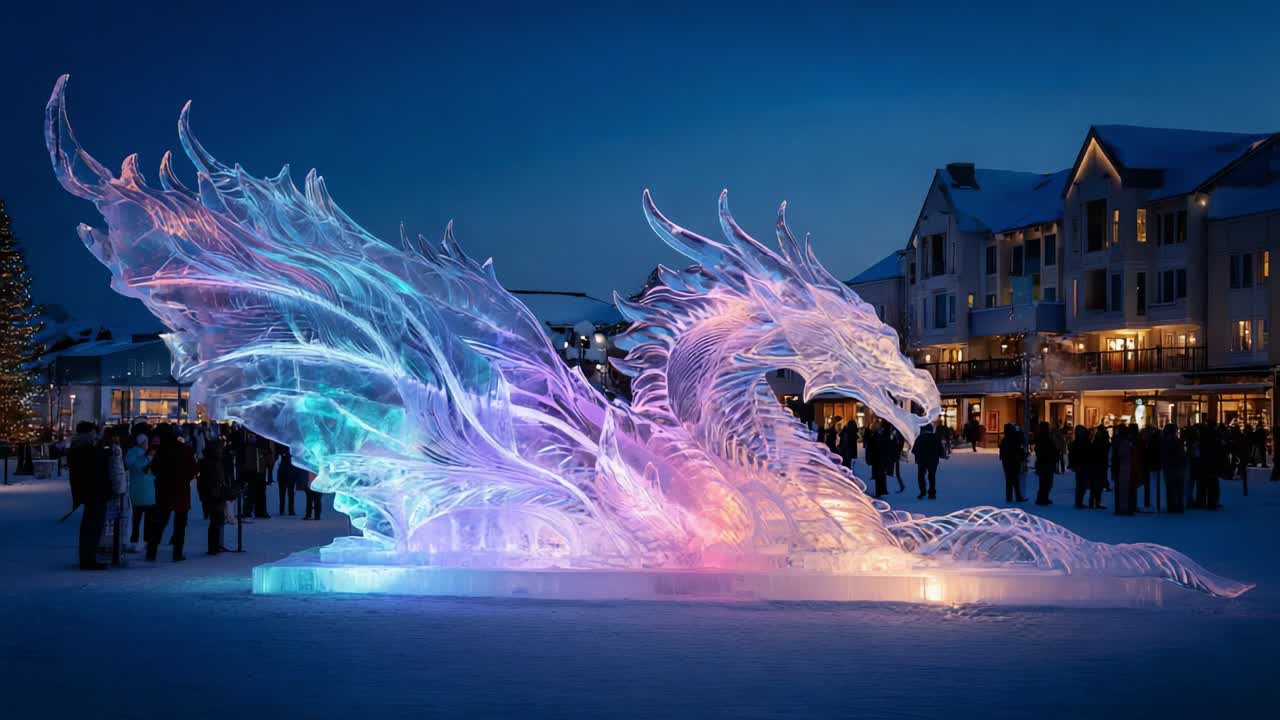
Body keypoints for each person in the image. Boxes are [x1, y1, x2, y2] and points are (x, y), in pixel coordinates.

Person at [147, 427, 199, 562]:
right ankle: (177, 552)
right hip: (181, 491)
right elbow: (193, 470)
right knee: (180, 525)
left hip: (164, 491)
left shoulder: (161, 451)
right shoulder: (186, 450)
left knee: (160, 523)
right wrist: (185, 478)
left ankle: (152, 551)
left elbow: (154, 469)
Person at [67, 422, 111, 570]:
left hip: (90, 492)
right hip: (94, 492)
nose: (96, 435)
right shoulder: (85, 450)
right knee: (93, 526)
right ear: (87, 433)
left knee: (91, 525)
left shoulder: (77, 448)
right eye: (93, 432)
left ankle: (88, 557)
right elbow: (98, 461)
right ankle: (88, 559)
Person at [99, 427, 130, 556]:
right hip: (114, 488)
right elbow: (117, 470)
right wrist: (120, 488)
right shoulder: (114, 449)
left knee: (107, 518)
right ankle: (111, 545)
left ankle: (106, 544)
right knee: (113, 518)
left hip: (107, 487)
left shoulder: (105, 447)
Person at [198, 437, 230, 554]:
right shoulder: (212, 462)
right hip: (214, 495)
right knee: (216, 521)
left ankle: (215, 545)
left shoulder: (210, 461)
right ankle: (213, 546)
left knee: (216, 521)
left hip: (212, 494)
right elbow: (213, 480)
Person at [125, 433, 155, 547]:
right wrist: (148, 459)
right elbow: (139, 468)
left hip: (139, 489)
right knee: (146, 517)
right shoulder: (142, 454)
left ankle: (135, 538)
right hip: (145, 489)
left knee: (137, 517)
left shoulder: (131, 453)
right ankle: (144, 539)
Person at [912, 423, 942, 499]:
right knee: (932, 476)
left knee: (921, 476)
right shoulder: (936, 437)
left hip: (922, 460)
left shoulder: (920, 438)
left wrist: (917, 457)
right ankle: (932, 493)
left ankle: (923, 491)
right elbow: (940, 449)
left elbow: (914, 450)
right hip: (933, 460)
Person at [998, 423, 1027, 503]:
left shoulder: (1005, 439)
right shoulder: (1014, 438)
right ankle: (1017, 496)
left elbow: (1002, 450)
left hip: (1006, 461)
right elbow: (1021, 443)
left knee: (1009, 479)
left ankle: (1009, 496)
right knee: (1015, 479)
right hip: (1013, 460)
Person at [1161, 423, 1186, 513]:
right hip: (1178, 466)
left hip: (1169, 466)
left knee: (1171, 487)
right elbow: (1182, 453)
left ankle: (1172, 506)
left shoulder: (1165, 441)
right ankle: (1179, 505)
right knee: (1179, 487)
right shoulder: (1177, 441)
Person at [1032, 421, 1059, 506]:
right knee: (1046, 481)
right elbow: (1047, 449)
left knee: (1045, 482)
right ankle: (1042, 499)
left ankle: (1044, 498)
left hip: (1045, 462)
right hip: (1045, 462)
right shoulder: (1044, 438)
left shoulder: (1043, 437)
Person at [1111, 425, 1134, 515]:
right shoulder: (1126, 441)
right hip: (1124, 466)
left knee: (1120, 488)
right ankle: (1124, 507)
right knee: (1124, 488)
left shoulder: (1118, 441)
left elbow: (1116, 455)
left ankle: (1121, 507)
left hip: (1120, 466)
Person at [1088, 425, 1109, 510]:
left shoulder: (1095, 442)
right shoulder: (1102, 442)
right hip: (1099, 465)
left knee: (1095, 485)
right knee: (1097, 485)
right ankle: (1096, 502)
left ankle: (1093, 502)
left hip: (1096, 465)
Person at [1069, 424, 1091, 508]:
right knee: (1081, 484)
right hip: (1083, 464)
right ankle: (1079, 502)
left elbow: (1072, 454)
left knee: (1081, 484)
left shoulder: (1076, 442)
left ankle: (1079, 501)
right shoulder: (1083, 442)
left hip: (1080, 464)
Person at [276, 442, 299, 516]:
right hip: (290, 472)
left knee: (283, 492)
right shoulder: (293, 449)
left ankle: (282, 509)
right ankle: (290, 510)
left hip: (284, 472)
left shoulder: (282, 447)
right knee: (290, 492)